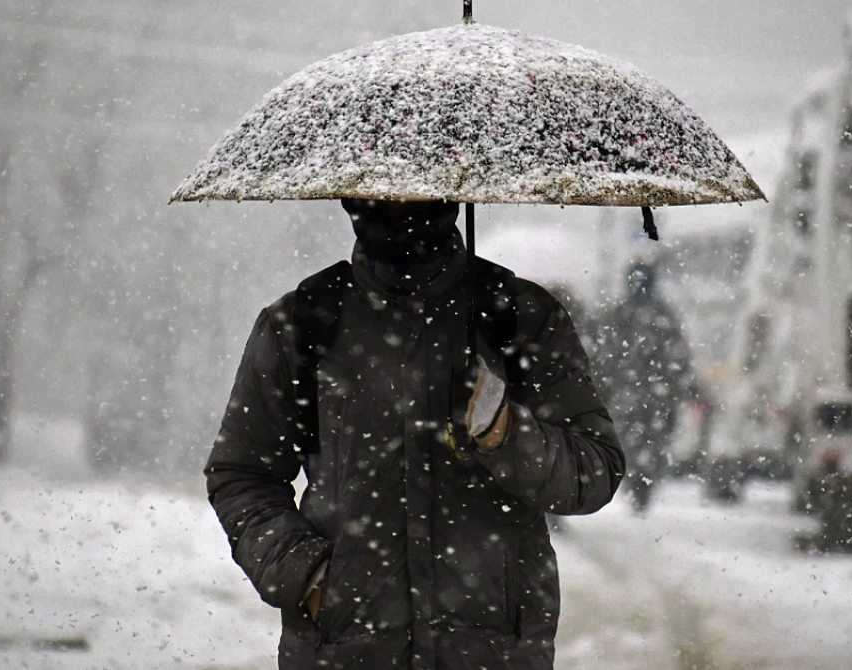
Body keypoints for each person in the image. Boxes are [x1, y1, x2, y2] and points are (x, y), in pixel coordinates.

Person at [204, 199, 624, 670]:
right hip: (346, 652)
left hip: (492, 653)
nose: (399, 205)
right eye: (379, 192)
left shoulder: (520, 317)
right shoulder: (304, 323)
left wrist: (506, 432)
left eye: (416, 195)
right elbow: (241, 475)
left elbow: (595, 469)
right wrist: (311, 577)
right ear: (352, 196)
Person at [593, 260, 693, 514]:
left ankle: (637, 480)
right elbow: (678, 356)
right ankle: (642, 483)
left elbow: (603, 356)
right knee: (650, 442)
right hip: (654, 395)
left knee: (631, 440)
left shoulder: (619, 314)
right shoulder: (663, 316)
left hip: (628, 394)